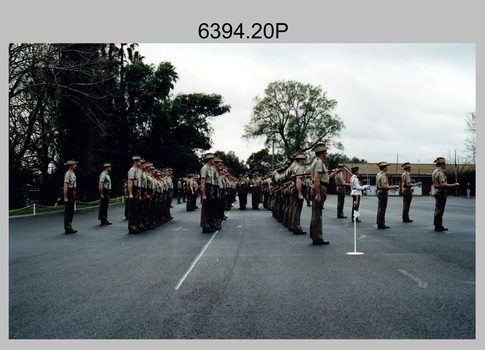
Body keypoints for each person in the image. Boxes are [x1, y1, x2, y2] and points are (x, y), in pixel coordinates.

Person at [309, 144, 341, 245]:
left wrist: (333, 174)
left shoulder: (317, 162)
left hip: (320, 187)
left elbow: (324, 178)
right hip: (320, 188)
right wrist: (318, 194)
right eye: (325, 152)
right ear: (322, 153)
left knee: (316, 212)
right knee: (318, 213)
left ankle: (315, 235)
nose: (326, 153)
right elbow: (317, 179)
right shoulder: (319, 163)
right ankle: (317, 237)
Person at [432, 157, 459, 231]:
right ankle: (438, 225)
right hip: (441, 191)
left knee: (437, 209)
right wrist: (454, 185)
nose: (445, 165)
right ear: (442, 164)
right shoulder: (440, 173)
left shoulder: (434, 172)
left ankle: (437, 224)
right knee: (440, 209)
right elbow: (443, 184)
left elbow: (434, 184)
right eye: (444, 164)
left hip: (437, 190)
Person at [376, 161, 399, 229]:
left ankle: (379, 222)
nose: (387, 168)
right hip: (383, 192)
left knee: (380, 208)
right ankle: (381, 223)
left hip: (380, 191)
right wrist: (393, 187)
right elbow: (384, 186)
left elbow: (378, 185)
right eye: (386, 167)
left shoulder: (378, 174)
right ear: (384, 168)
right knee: (382, 208)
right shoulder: (383, 176)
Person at [289, 153, 308, 235]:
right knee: (297, 209)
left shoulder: (293, 167)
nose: (305, 161)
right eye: (304, 159)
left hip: (293, 188)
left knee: (294, 207)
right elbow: (298, 181)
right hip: (297, 189)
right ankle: (296, 227)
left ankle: (293, 225)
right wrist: (300, 193)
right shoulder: (299, 168)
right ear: (300, 160)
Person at [200, 153, 217, 233]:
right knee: (206, 209)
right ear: (210, 160)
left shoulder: (211, 169)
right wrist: (203, 194)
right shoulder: (205, 168)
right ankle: (205, 226)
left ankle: (210, 224)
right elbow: (203, 182)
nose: (214, 160)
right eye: (213, 159)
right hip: (207, 188)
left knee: (210, 208)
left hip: (211, 189)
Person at [127, 155, 142, 234]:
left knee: (136, 209)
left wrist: (139, 195)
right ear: (135, 162)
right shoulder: (132, 170)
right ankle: (131, 227)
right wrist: (130, 193)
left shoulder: (138, 170)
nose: (140, 162)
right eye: (139, 161)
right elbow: (130, 182)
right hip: (133, 190)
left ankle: (135, 225)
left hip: (137, 190)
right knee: (132, 209)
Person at [63, 160, 78, 234]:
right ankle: (67, 227)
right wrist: (65, 196)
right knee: (68, 210)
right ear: (70, 166)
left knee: (71, 210)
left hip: (73, 191)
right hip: (69, 191)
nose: (75, 166)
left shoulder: (73, 174)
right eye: (74, 165)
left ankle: (70, 226)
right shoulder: (67, 174)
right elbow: (65, 186)